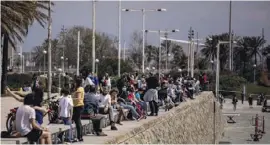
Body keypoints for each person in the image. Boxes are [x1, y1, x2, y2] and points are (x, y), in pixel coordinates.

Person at [72, 77, 84, 142]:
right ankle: (79, 136)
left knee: (77, 121)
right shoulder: (79, 88)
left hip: (78, 106)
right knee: (77, 121)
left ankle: (79, 136)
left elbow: (78, 98)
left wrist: (70, 99)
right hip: (77, 106)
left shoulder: (79, 89)